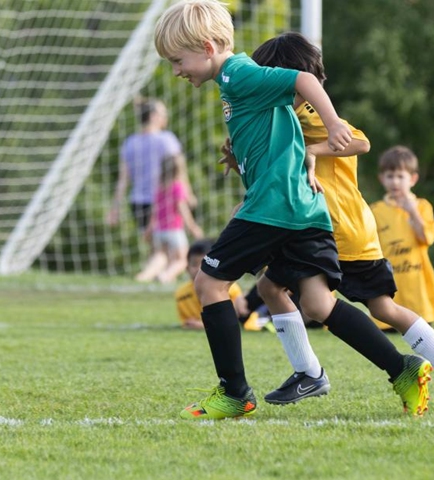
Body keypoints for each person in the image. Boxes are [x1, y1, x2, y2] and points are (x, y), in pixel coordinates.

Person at [154, 0, 370, 420]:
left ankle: (235, 391)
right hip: (285, 206)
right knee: (314, 302)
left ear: (207, 46)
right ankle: (401, 367)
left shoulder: (236, 72)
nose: (177, 71)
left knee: (210, 282)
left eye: (178, 61)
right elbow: (275, 138)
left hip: (275, 207)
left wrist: (336, 124)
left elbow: (304, 78)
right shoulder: (230, 80)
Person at [248, 32, 434, 412]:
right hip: (354, 228)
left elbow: (361, 142)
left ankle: (316, 373)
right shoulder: (288, 115)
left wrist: (313, 150)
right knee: (379, 308)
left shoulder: (306, 113)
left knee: (304, 300)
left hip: (334, 227)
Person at [106, 98, 196, 276]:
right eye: (164, 114)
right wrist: (188, 194)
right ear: (154, 116)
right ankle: (148, 278)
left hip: (138, 203)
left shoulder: (130, 142)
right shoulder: (166, 139)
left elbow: (123, 180)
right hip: (165, 201)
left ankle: (151, 280)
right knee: (169, 253)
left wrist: (115, 208)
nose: (166, 118)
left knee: (157, 251)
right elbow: (179, 170)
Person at [370, 146, 434, 329]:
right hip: (390, 278)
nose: (395, 182)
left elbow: (426, 238)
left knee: (421, 327)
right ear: (381, 179)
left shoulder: (422, 206)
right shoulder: (376, 210)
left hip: (417, 279)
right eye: (390, 176)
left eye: (400, 176)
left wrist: (412, 211)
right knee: (389, 322)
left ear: (413, 179)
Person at [175, 239, 270, 331]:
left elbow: (240, 311)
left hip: (246, 322)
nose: (199, 269)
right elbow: (188, 322)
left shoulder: (228, 287)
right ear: (187, 268)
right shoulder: (182, 294)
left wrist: (204, 325)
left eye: (203, 264)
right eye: (194, 265)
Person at [136, 155, 204, 283]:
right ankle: (164, 277)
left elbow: (154, 211)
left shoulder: (160, 188)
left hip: (159, 230)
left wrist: (149, 229)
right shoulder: (177, 186)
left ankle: (144, 276)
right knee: (182, 259)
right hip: (174, 229)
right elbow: (181, 208)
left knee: (161, 257)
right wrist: (192, 227)